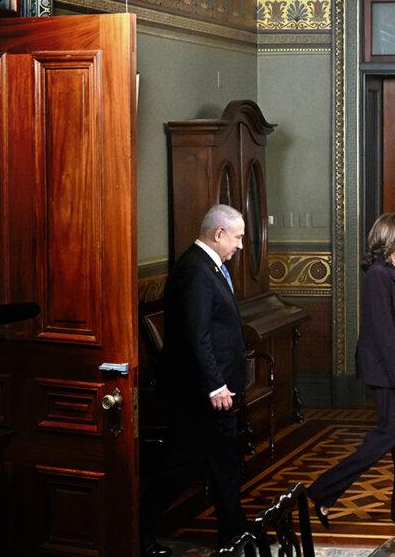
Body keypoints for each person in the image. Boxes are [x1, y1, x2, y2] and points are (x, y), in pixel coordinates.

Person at [140, 204, 249, 556]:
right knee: (183, 465)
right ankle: (138, 531)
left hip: (212, 389)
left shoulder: (208, 266)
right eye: (238, 237)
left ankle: (234, 535)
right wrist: (215, 385)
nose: (240, 246)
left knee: (223, 464)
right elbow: (196, 336)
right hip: (202, 393)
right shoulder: (196, 271)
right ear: (219, 234)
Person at [308, 212, 395, 528]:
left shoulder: (393, 271)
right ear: (391, 239)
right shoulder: (377, 275)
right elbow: (382, 331)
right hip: (388, 373)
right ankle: (322, 491)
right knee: (386, 438)